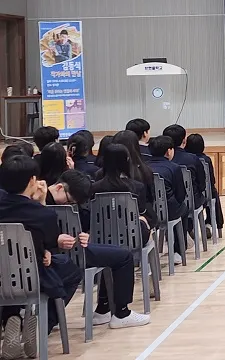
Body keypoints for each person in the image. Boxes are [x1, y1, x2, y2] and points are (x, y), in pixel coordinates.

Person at [44, 168, 152, 332]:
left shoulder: (31, 201)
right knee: (123, 256)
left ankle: (104, 308)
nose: (68, 205)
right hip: (66, 254)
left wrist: (83, 235)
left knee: (117, 253)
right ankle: (121, 313)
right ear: (59, 187)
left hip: (63, 250)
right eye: (69, 200)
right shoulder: (38, 206)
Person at [0, 155, 83, 356]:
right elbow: (52, 241)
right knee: (70, 271)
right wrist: (42, 202)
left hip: (1, 275)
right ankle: (39, 322)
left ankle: (13, 318)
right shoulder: (41, 213)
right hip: (30, 276)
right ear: (31, 181)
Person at [91, 143, 157, 243]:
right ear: (126, 161)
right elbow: (142, 211)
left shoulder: (94, 187)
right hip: (132, 237)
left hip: (101, 237)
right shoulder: (137, 186)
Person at [146, 135, 189, 262]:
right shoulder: (174, 168)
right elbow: (180, 194)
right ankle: (178, 250)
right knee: (183, 209)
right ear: (169, 151)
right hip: (169, 211)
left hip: (148, 213)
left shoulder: (142, 168)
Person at [163, 125, 207, 222]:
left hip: (163, 204)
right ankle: (191, 227)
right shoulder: (192, 159)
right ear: (184, 140)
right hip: (191, 201)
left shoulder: (159, 162)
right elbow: (202, 184)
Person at [185, 134, 224, 237]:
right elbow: (211, 180)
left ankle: (190, 227)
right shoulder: (206, 159)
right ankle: (211, 223)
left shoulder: (184, 160)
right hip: (203, 193)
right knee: (213, 194)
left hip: (187, 195)